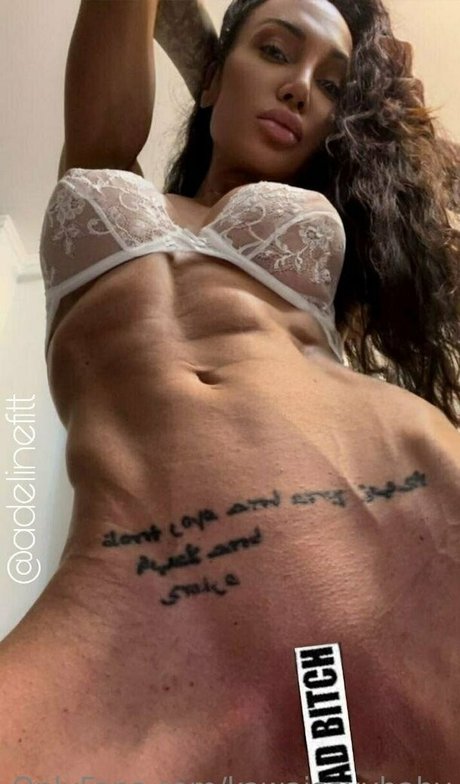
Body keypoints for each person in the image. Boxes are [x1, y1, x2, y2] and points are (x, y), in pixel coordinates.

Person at [1, 0, 459, 780]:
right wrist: (212, 60)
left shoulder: (336, 243)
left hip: (393, 517)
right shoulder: (104, 170)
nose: (302, 86)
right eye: (277, 51)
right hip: (137, 579)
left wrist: (277, 76)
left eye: (331, 85)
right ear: (213, 76)